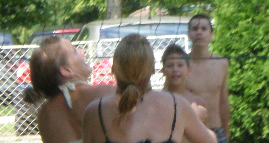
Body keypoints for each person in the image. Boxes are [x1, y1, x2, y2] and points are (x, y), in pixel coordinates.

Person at [82, 34, 216, 143]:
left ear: (113, 70)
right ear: (152, 70)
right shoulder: (177, 105)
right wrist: (195, 119)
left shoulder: (94, 112)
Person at [24, 36, 115, 143]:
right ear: (66, 70)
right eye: (75, 52)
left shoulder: (44, 115)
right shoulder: (104, 93)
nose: (83, 51)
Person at [184, 15, 230, 143]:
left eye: (204, 29)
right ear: (189, 34)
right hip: (189, 132)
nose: (199, 32)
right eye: (195, 29)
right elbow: (169, 98)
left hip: (216, 129)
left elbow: (224, 102)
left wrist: (226, 130)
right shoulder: (180, 65)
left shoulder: (221, 63)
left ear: (211, 35)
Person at [161, 44, 216, 143]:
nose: (175, 69)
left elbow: (206, 136)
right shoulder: (158, 101)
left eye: (180, 65)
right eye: (170, 65)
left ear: (188, 70)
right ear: (163, 71)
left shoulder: (197, 102)